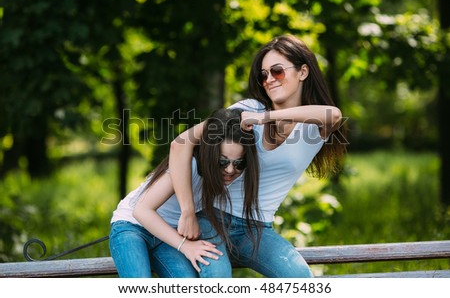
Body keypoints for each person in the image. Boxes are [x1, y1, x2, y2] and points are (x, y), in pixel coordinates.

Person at [169, 34, 347, 277]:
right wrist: (188, 212)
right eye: (263, 75)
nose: (269, 79)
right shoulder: (246, 109)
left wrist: (265, 118)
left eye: (277, 71)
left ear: (303, 72)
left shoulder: (312, 128)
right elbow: (181, 143)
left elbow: (334, 114)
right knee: (218, 282)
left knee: (301, 279)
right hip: (212, 218)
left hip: (256, 229)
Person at [109, 108, 260, 277]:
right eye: (222, 161)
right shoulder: (190, 167)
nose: (230, 170)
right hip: (133, 227)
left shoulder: (235, 175)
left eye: (239, 163)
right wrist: (185, 245)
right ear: (210, 153)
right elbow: (141, 210)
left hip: (167, 235)